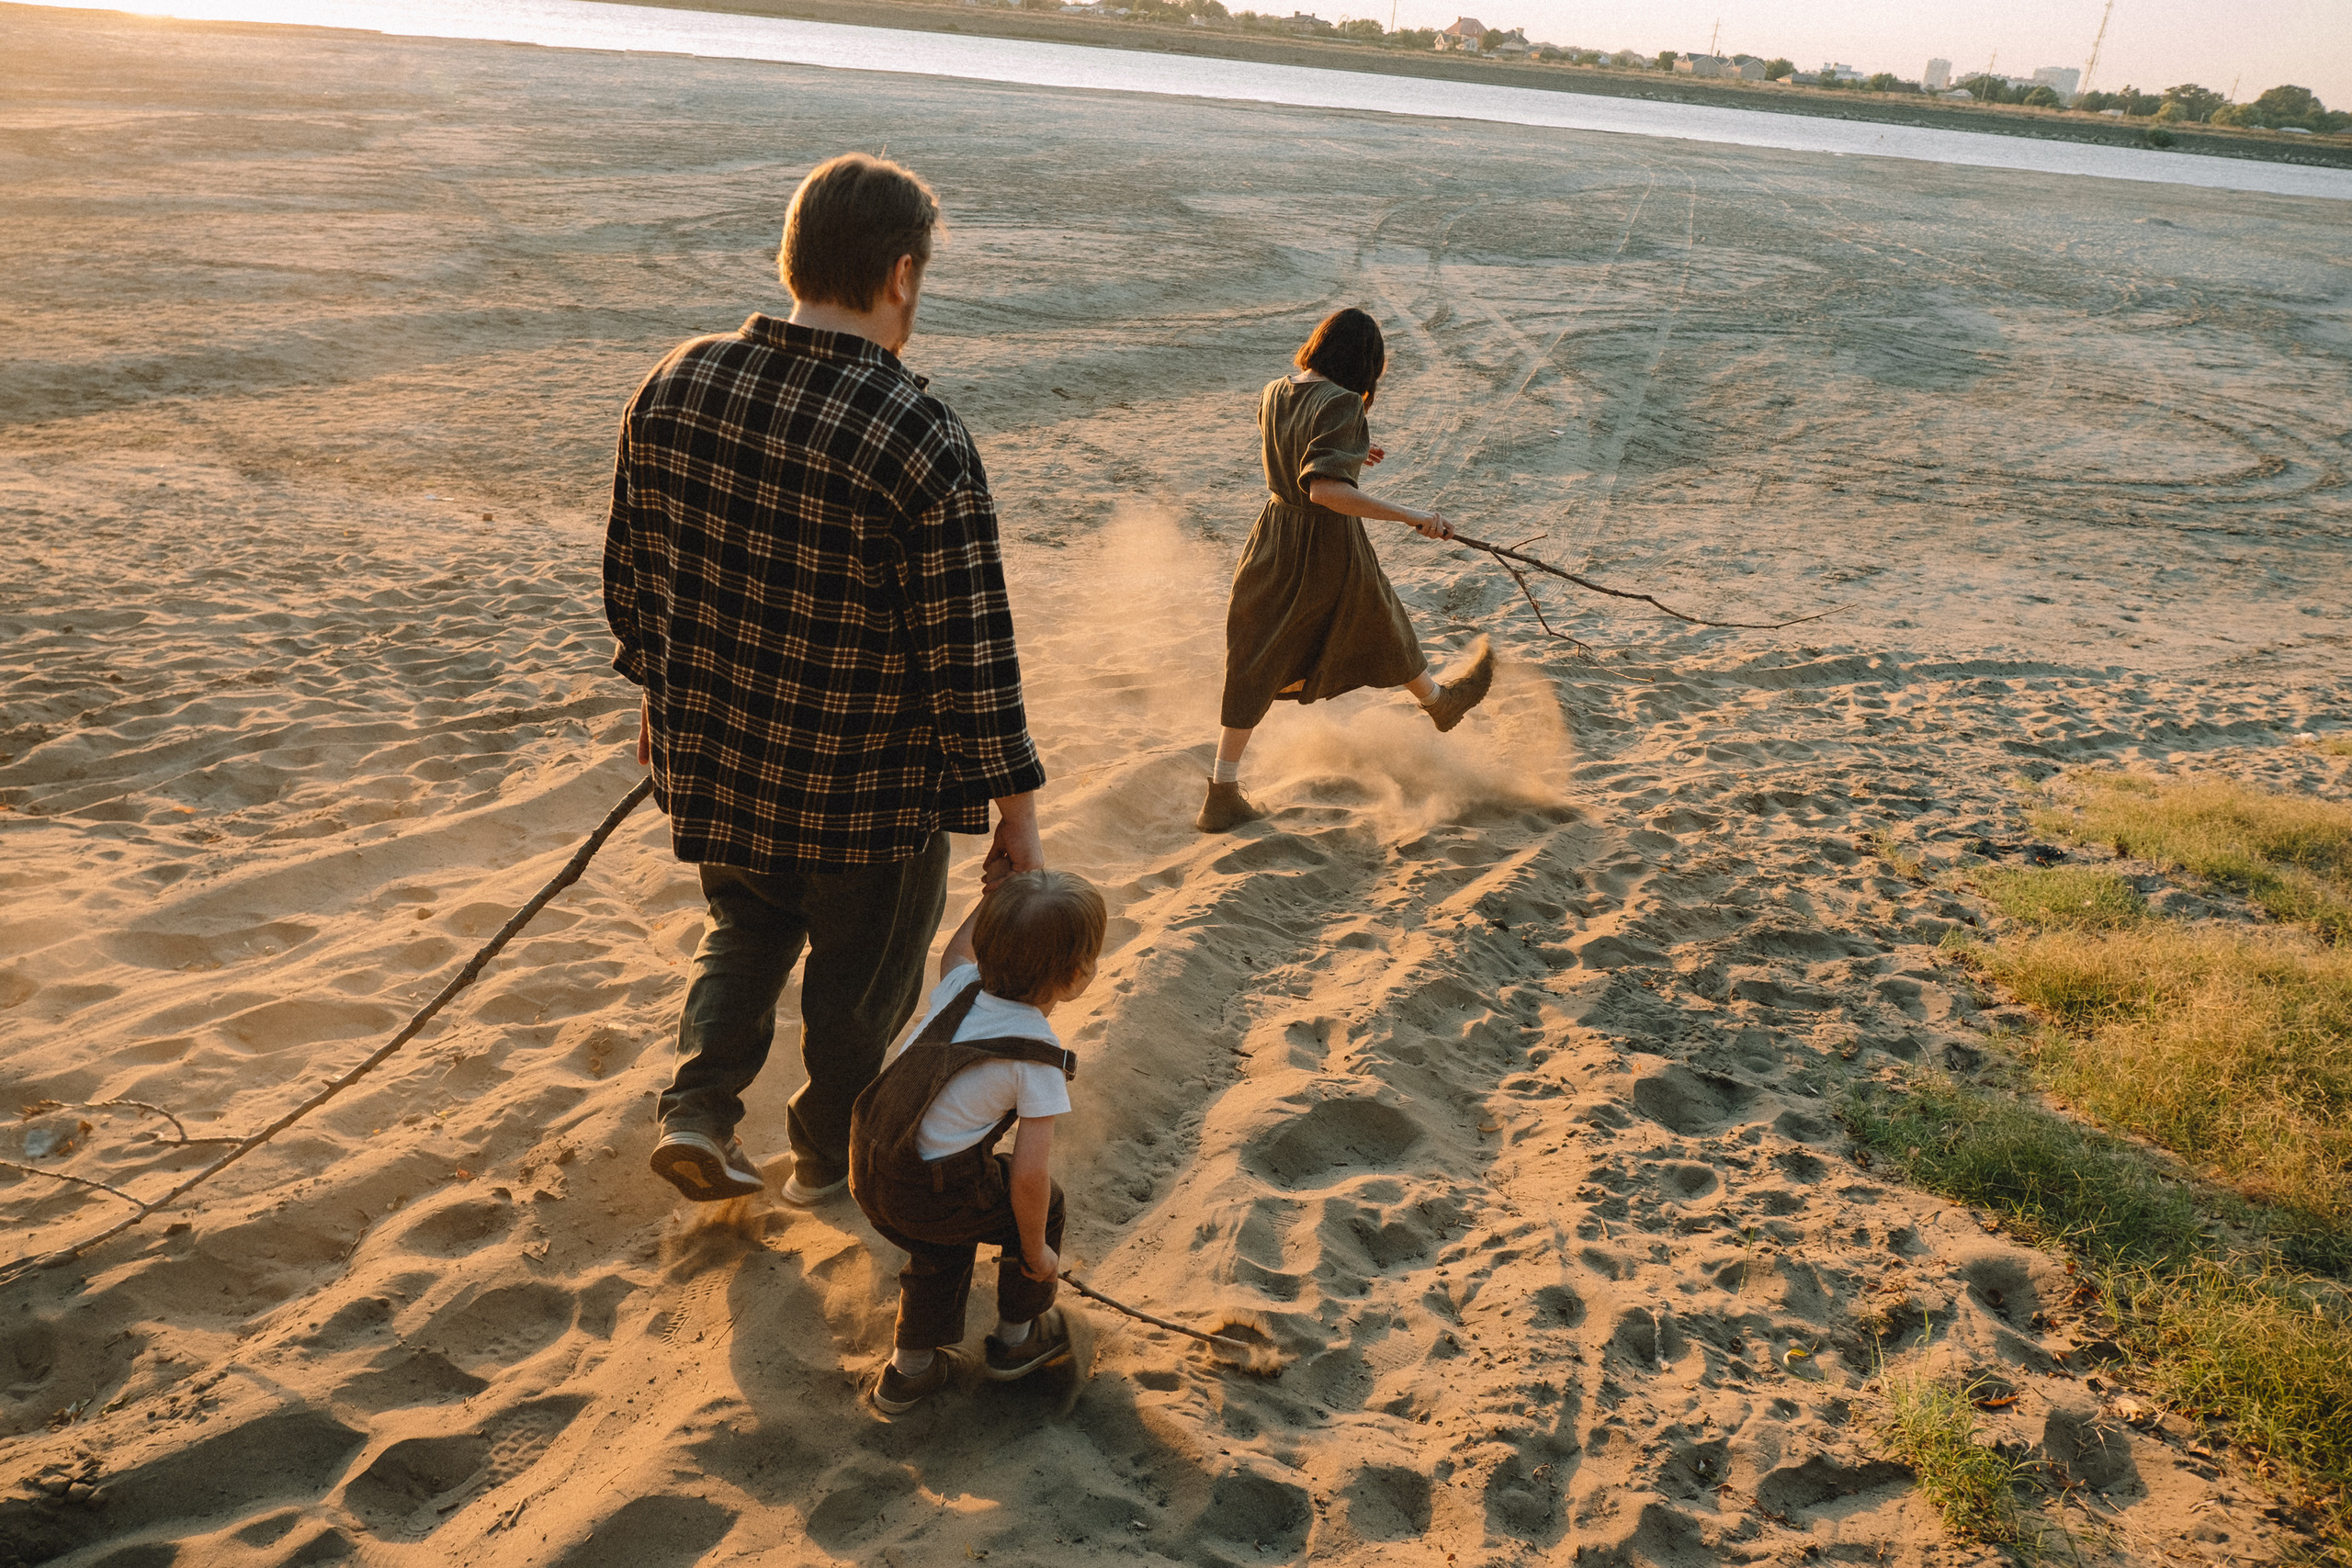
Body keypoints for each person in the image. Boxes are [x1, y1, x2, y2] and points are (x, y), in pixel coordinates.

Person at [605, 152, 1046, 1209]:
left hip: (720, 760)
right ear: (902, 275)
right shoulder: (917, 433)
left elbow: (633, 581)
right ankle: (820, 1162)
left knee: (743, 930)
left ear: (791, 256)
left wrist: (660, 705)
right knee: (858, 989)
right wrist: (1016, 811)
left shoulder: (676, 382)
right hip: (867, 797)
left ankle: (699, 1113)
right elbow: (969, 652)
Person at [1197, 307, 1494, 833]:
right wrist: (1414, 517)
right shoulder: (1340, 401)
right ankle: (1439, 703)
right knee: (1377, 614)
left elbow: (1295, 446)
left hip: (1271, 535)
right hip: (1323, 541)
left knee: (1253, 652)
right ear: (1364, 361)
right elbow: (1325, 491)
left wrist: (1354, 450)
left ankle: (1222, 789)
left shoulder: (1275, 389)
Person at [849, 869, 1106, 1413]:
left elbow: (955, 949)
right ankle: (1017, 1338)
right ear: (1079, 975)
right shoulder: (1036, 1057)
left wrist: (995, 890)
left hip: (869, 1161)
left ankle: (907, 1374)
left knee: (938, 1244)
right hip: (927, 1187)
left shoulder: (960, 986)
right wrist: (1037, 1254)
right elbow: (1030, 1177)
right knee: (1039, 1204)